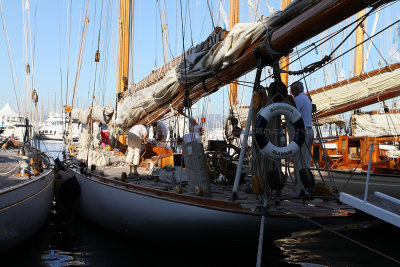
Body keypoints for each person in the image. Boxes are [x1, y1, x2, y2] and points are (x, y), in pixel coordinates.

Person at [290, 81, 314, 196]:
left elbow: (293, 115)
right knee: (306, 162)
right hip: (309, 131)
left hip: (301, 133)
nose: (291, 92)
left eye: (291, 89)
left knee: (299, 162)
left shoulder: (297, 100)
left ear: (296, 89)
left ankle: (299, 190)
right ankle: (306, 186)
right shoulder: (307, 99)